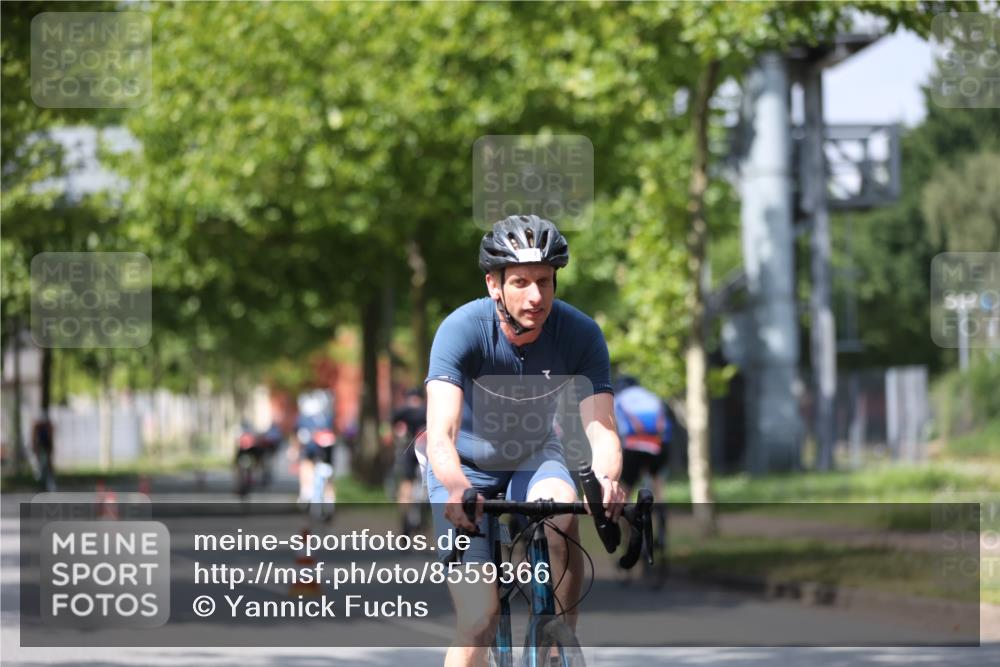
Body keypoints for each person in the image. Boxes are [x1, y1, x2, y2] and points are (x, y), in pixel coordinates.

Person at [424, 215, 625, 667]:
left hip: (534, 457)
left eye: (545, 281)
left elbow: (601, 428)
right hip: (464, 468)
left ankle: (559, 637)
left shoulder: (579, 333)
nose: (535, 296)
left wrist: (608, 479)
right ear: (494, 284)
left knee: (562, 505)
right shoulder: (462, 329)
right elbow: (442, 433)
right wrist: (456, 486)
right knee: (478, 621)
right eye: (520, 282)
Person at [613, 375, 671, 499]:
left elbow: (616, 426)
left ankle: (621, 515)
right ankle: (662, 511)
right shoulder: (652, 396)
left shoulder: (619, 398)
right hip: (658, 443)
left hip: (633, 444)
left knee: (626, 485)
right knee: (657, 480)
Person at [391, 388, 427, 535]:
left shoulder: (404, 410)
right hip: (426, 450)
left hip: (410, 449)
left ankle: (404, 519)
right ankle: (423, 517)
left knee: (406, 484)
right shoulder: (427, 409)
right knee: (427, 485)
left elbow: (393, 422)